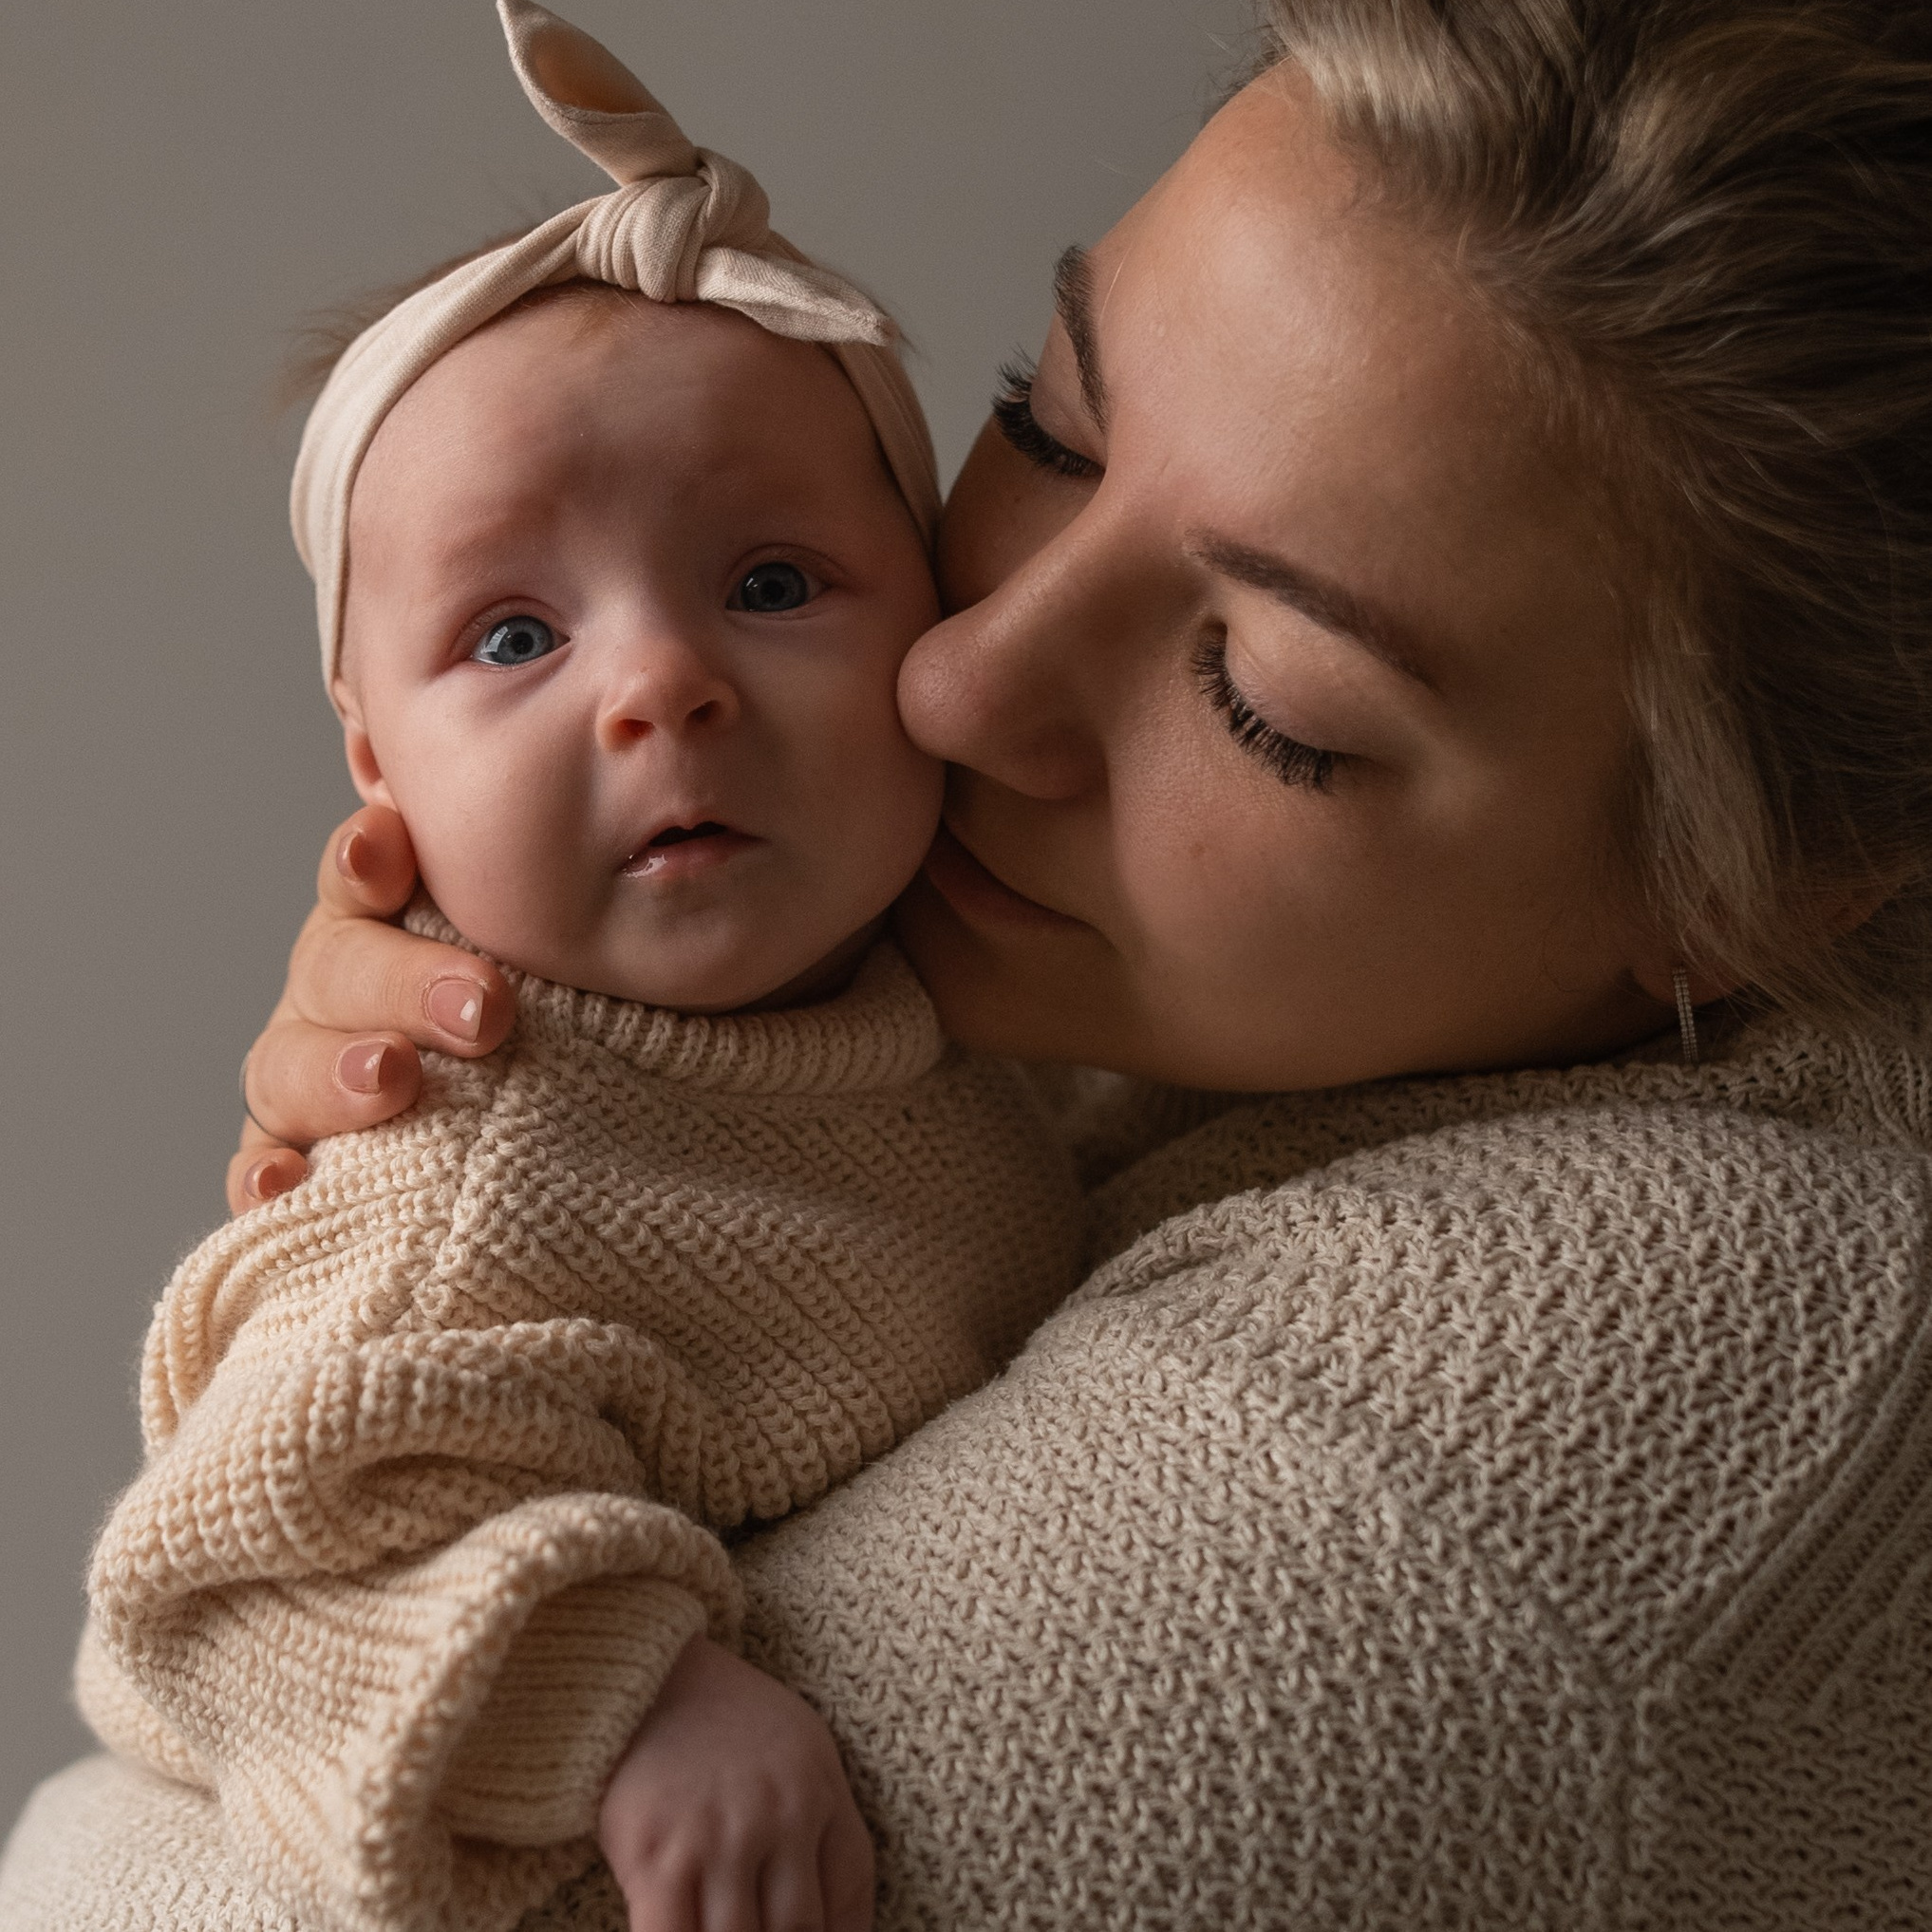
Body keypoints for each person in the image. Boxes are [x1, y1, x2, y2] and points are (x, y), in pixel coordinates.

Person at [6, 0, 1932, 1925]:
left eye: (1269, 701)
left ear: (1758, 892)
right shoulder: (1141, 1038)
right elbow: (260, 1552)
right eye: (1050, 423)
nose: (952, 675)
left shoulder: (1528, 1453)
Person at [46, 9, 1081, 1932]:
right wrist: (631, 1700)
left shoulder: (965, 1011)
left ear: (930, 622)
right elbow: (228, 1574)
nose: (657, 683)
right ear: (377, 765)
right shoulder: (475, 1177)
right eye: (514, 635)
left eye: (771, 584)